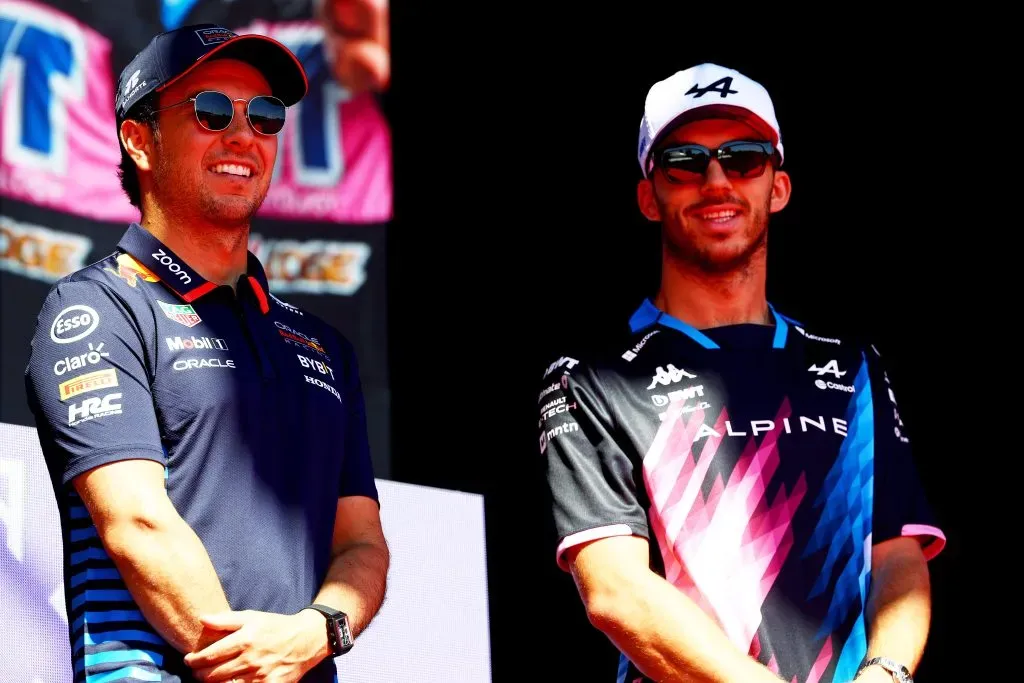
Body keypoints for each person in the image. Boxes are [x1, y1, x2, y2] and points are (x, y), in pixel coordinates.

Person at [536, 63, 944, 683]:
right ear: (650, 197)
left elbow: (899, 556)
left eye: (745, 158)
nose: (717, 180)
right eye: (685, 161)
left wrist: (885, 673)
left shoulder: (854, 366)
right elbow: (616, 591)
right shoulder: (589, 381)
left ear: (778, 188)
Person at [24, 23, 389, 683]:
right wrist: (255, 667)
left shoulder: (325, 347)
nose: (244, 135)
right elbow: (137, 522)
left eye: (266, 116)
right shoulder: (97, 309)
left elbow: (361, 542)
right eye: (211, 110)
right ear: (139, 139)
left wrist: (320, 629)